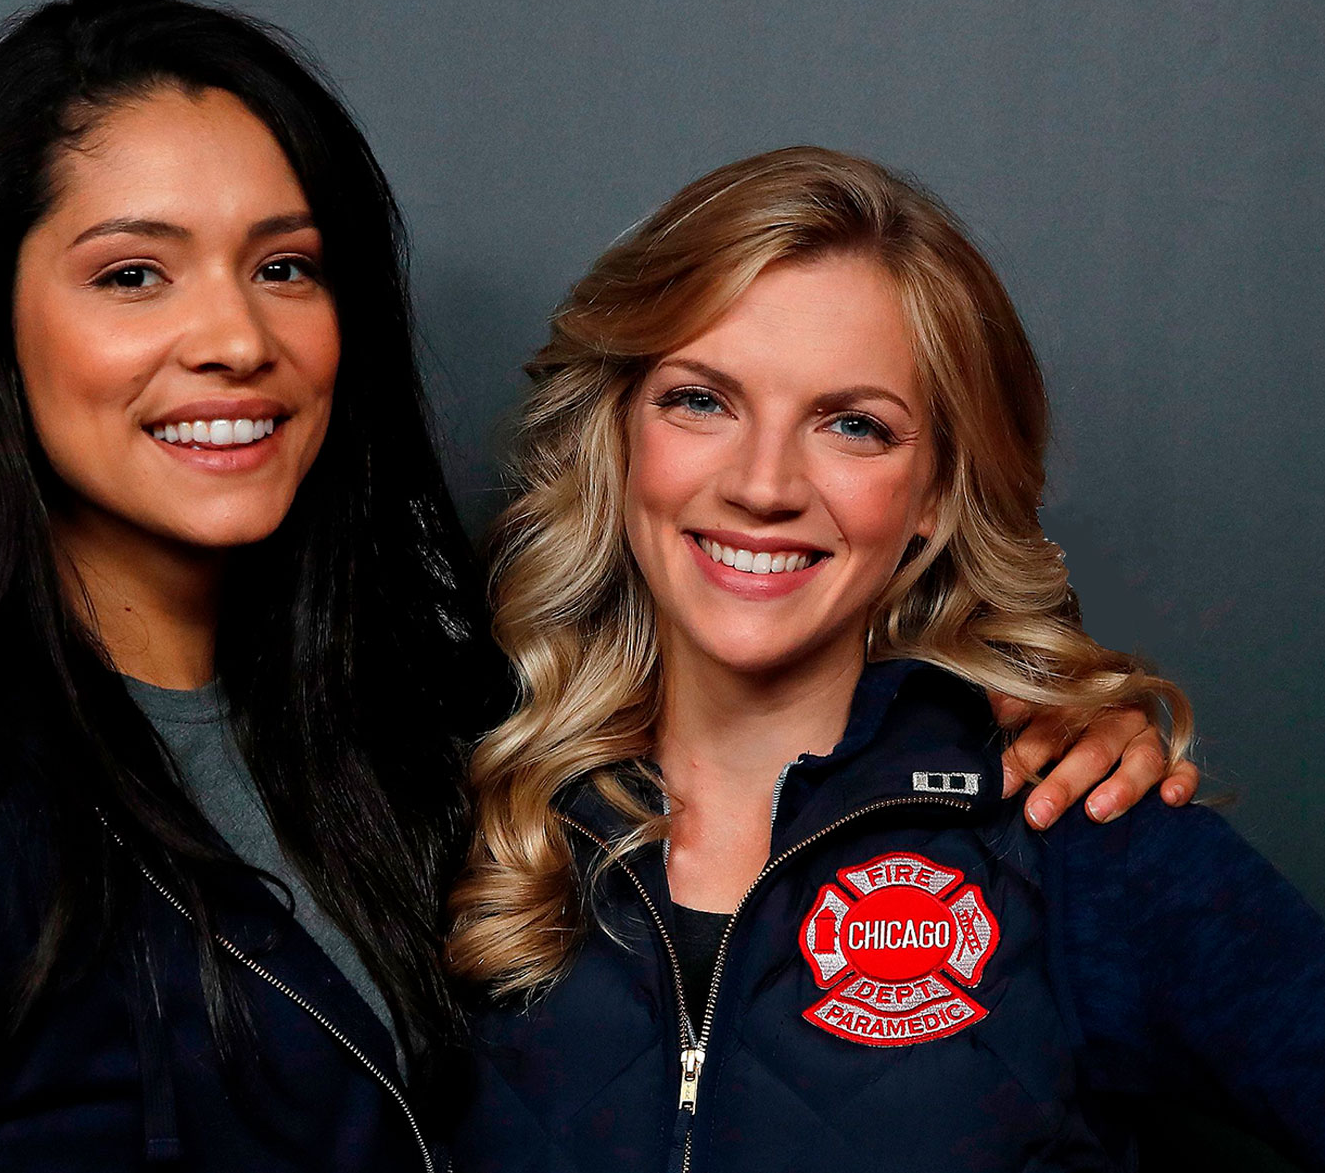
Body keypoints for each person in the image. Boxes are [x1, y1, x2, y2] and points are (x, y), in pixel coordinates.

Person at [0, 0, 1188, 1172]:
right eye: (131, 272)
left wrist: (1046, 724)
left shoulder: (429, 743)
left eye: (286, 265)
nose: (234, 334)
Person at [445, 148, 1325, 1172]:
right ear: (618, 432)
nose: (763, 483)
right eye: (700, 400)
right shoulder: (452, 818)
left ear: (936, 496)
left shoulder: (1074, 833)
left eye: (853, 424)